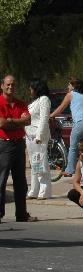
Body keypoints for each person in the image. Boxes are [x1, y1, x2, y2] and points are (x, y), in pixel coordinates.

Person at [0, 74, 35, 223]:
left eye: (13, 85)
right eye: (8, 84)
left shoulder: (21, 103)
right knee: (1, 180)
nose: (10, 87)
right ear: (2, 86)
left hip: (19, 144)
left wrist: (11, 121)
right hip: (4, 144)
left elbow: (28, 120)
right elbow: (1, 124)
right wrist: (19, 122)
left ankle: (21, 214)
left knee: (20, 181)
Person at [49, 77, 83, 177]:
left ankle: (70, 170)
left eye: (69, 84)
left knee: (73, 146)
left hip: (82, 123)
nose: (68, 86)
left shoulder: (70, 95)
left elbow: (61, 108)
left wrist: (50, 116)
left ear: (73, 86)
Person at [25, 79, 53, 200]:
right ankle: (34, 190)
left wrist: (39, 136)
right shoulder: (35, 101)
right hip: (29, 135)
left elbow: (44, 118)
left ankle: (44, 190)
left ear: (37, 88)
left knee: (40, 162)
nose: (30, 90)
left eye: (31, 88)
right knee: (34, 163)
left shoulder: (44, 100)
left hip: (38, 136)